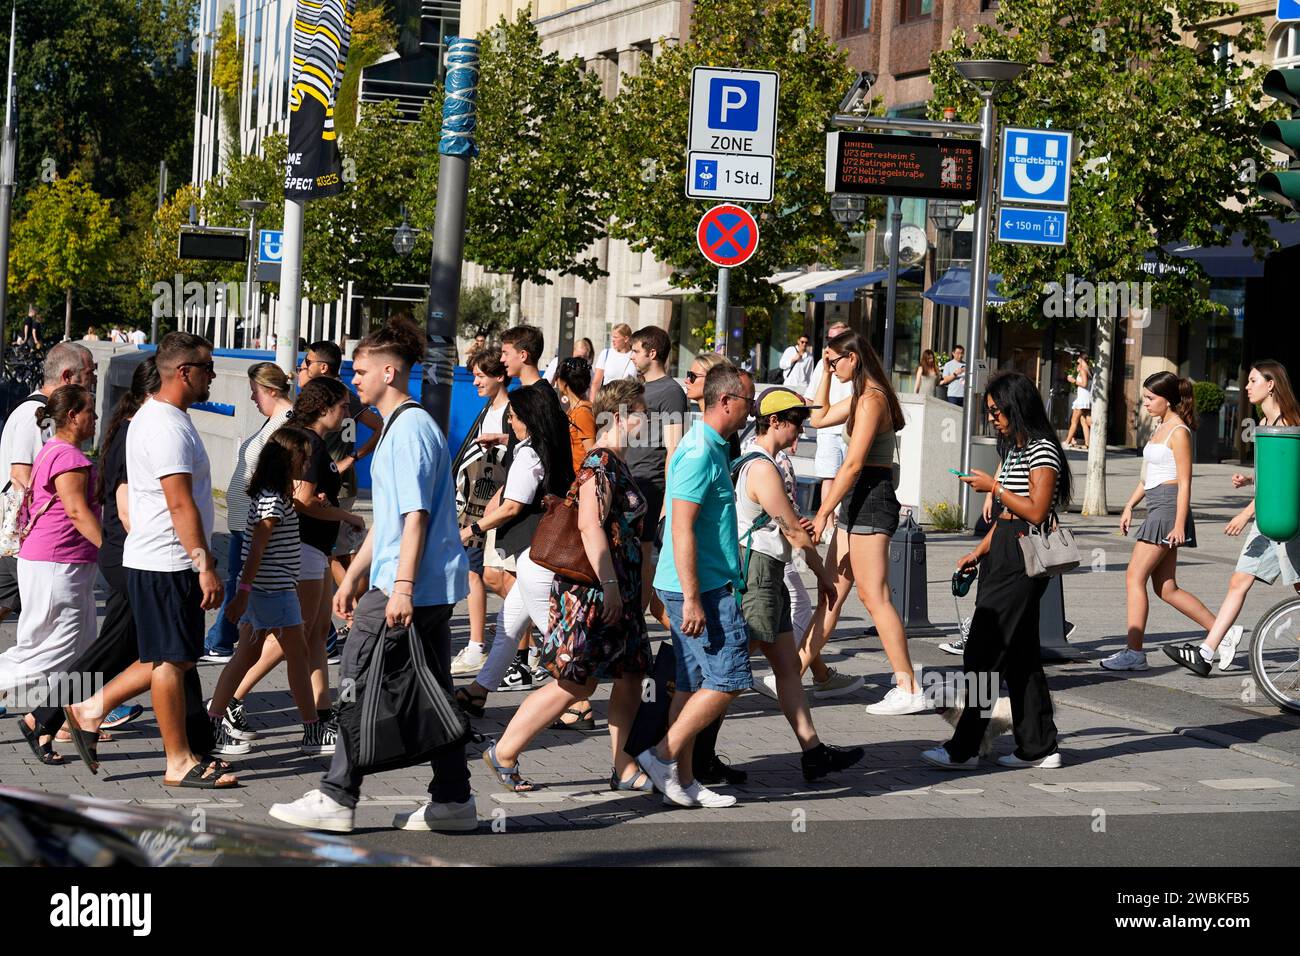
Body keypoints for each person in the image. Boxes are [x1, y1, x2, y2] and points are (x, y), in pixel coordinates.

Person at [270, 315, 475, 833]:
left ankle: (338, 795)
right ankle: (454, 801)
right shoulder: (404, 426)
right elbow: (389, 518)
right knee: (432, 688)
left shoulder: (407, 431)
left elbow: (415, 519)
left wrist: (397, 587)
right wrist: (354, 573)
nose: (353, 380)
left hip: (407, 588)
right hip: (417, 585)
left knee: (357, 679)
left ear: (389, 372)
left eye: (360, 371)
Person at [25, 360, 215, 771]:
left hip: (133, 554)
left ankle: (54, 713)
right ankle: (52, 712)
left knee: (152, 651)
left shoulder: (132, 428)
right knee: (147, 651)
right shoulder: (145, 431)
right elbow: (126, 508)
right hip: (135, 556)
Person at [484, 379, 654, 792]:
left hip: (619, 591)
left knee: (631, 674)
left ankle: (624, 765)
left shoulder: (618, 463)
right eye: (640, 411)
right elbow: (589, 525)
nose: (646, 418)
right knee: (576, 681)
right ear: (619, 417)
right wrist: (612, 585)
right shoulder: (600, 464)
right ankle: (504, 750)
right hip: (592, 592)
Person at [921, 370, 1069, 770]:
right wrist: (980, 550)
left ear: (1016, 406)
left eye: (997, 411)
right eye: (989, 412)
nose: (993, 419)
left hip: (1022, 555)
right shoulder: (1017, 448)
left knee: (982, 651)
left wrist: (994, 487)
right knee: (1020, 655)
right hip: (1004, 548)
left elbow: (1036, 511)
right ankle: (1039, 746)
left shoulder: (1042, 450)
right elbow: (1006, 515)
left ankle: (964, 748)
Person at [637, 362, 755, 810]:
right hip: (700, 588)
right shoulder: (700, 452)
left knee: (688, 686)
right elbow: (681, 527)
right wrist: (690, 598)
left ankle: (682, 781)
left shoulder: (713, 447)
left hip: (703, 583)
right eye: (747, 402)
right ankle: (661, 756)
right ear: (725, 401)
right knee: (729, 678)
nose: (751, 411)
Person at [123, 332, 237, 788]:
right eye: (207, 368)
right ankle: (177, 762)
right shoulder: (166, 424)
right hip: (166, 561)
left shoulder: (164, 417)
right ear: (184, 372)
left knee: (175, 658)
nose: (212, 376)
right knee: (170, 661)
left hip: (163, 559)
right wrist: (204, 563)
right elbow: (180, 503)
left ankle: (89, 707)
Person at [734, 387, 864, 780]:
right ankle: (685, 748)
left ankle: (813, 752)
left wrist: (792, 526)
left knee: (788, 667)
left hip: (766, 569)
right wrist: (825, 576)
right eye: (796, 421)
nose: (801, 430)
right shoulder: (761, 466)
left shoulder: (759, 462)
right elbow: (793, 530)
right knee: (730, 671)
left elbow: (785, 523)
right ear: (774, 422)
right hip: (758, 571)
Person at [227, 377, 364, 723]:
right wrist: (345, 514)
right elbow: (302, 499)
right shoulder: (311, 444)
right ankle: (231, 700)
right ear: (323, 407)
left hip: (315, 547)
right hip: (302, 548)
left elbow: (303, 495)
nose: (347, 413)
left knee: (315, 633)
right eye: (343, 406)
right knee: (293, 635)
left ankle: (320, 709)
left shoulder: (315, 440)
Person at [807, 331, 922, 715]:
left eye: (835, 361)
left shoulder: (872, 400)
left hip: (872, 496)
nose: (832, 366)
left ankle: (907, 685)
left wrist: (823, 513)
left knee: (874, 597)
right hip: (857, 497)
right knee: (831, 591)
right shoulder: (857, 397)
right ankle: (795, 669)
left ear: (853, 358)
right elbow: (818, 417)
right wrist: (823, 372)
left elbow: (854, 464)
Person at [1166, 360, 1300, 675]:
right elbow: (1276, 476)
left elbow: (1287, 482)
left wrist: (1244, 513)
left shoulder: (1288, 424)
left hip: (1285, 519)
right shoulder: (1267, 421)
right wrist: (1251, 481)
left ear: (1271, 384)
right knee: (1238, 580)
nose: (1246, 386)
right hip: (1269, 518)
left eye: (1253, 380)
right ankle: (1206, 652)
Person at [207, 426, 331, 754]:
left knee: (248, 654)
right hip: (273, 593)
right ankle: (312, 729)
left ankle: (214, 720)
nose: (306, 464)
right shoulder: (272, 501)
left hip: (271, 591)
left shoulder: (274, 496)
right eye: (303, 458)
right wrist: (243, 594)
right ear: (288, 460)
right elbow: (257, 550)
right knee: (297, 654)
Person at [455, 384, 575, 711]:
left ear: (527, 419)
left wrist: (471, 530)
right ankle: (479, 690)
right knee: (509, 626)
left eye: (513, 416)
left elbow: (512, 507)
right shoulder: (551, 446)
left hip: (533, 557)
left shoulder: (528, 453)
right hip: (538, 555)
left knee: (554, 636)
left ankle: (578, 704)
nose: (510, 422)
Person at [2, 386, 102, 749]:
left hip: (59, 562)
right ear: (73, 415)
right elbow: (76, 511)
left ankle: (67, 718)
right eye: (90, 410)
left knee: (84, 649)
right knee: (43, 652)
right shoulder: (69, 458)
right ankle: (58, 717)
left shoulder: (53, 450)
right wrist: (110, 550)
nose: (95, 417)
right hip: (57, 564)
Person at [1102, 372, 1216, 672]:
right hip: (1156, 504)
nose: (1146, 403)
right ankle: (1222, 632)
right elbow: (1148, 477)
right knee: (1166, 588)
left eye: (1151, 398)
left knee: (1133, 577)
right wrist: (1129, 505)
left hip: (1167, 509)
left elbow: (1184, 483)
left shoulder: (1179, 431)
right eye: (1146, 398)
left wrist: (1179, 524)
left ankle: (1135, 652)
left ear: (1169, 400)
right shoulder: (1160, 427)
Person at [202, 362, 295, 664]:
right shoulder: (272, 420)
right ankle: (225, 638)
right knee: (239, 580)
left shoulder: (286, 421)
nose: (253, 399)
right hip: (244, 518)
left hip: (256, 518)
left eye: (255, 392)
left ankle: (221, 640)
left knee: (240, 580)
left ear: (269, 390)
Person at [0, 342, 96, 626]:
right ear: (68, 376)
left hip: (23, 535)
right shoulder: (39, 417)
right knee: (49, 620)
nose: (91, 382)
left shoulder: (41, 413)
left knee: (11, 602)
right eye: (89, 374)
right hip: (30, 537)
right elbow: (21, 475)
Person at [298, 340, 384, 643]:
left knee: (334, 550)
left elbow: (379, 425)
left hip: (335, 483)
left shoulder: (339, 396)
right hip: (321, 482)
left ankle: (353, 610)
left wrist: (354, 457)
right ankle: (349, 608)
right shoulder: (323, 398)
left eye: (307, 362)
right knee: (340, 551)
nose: (303, 367)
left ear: (323, 367)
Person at [449, 348, 512, 678]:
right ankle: (483, 642)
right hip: (474, 504)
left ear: (499, 377)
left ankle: (492, 643)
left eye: (480, 376)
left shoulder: (509, 411)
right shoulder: (488, 408)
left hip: (498, 506)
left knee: (493, 576)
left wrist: (501, 438)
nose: (474, 382)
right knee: (477, 573)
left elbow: (521, 448)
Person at [627, 325, 687, 622]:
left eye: (636, 350)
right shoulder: (636, 387)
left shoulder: (671, 392)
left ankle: (636, 623)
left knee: (645, 556)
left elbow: (674, 448)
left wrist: (668, 499)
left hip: (652, 484)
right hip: (630, 480)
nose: (631, 356)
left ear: (652, 353)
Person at [803, 321, 852, 522]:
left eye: (837, 338)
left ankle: (843, 521)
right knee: (829, 477)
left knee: (849, 478)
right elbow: (810, 397)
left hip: (851, 430)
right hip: (827, 430)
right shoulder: (822, 366)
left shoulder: (856, 363)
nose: (831, 343)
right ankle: (828, 522)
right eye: (829, 338)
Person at [555, 357, 596, 474]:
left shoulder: (582, 413)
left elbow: (592, 454)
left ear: (564, 383)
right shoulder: (576, 409)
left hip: (581, 482)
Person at [591, 322, 637, 396]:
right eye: (612, 337)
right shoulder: (606, 354)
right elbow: (596, 383)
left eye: (616, 337)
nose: (612, 340)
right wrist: (592, 405)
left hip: (626, 402)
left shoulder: (635, 356)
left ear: (626, 339)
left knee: (623, 408)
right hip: (607, 400)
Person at [1063, 354, 1092, 449]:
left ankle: (1067, 442)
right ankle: (1087, 444)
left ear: (1082, 361)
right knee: (1084, 422)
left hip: (1082, 399)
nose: (1077, 364)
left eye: (1078, 362)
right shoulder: (1087, 370)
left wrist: (1073, 380)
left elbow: (1084, 384)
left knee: (1074, 421)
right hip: (1085, 398)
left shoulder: (1083, 370)